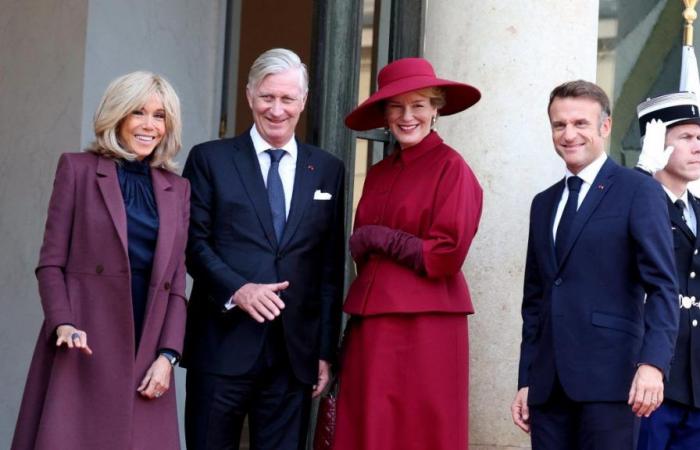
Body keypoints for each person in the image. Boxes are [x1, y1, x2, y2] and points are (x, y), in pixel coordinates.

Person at [11, 71, 190, 450]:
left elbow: (177, 281)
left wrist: (168, 355)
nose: (149, 125)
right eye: (138, 112)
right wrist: (63, 323)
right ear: (117, 116)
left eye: (160, 116)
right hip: (83, 341)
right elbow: (51, 263)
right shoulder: (77, 170)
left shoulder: (178, 189)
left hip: (147, 351)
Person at [181, 48, 345, 450]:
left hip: (293, 357)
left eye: (287, 99)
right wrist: (238, 289)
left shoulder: (328, 169)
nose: (276, 109)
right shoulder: (209, 160)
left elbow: (329, 268)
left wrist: (324, 352)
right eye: (267, 97)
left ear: (303, 102)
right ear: (249, 95)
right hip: (221, 347)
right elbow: (191, 242)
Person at [510, 80, 679, 449]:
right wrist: (527, 379)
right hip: (548, 389)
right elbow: (535, 301)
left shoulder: (638, 191)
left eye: (580, 123)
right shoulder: (543, 203)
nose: (569, 134)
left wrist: (652, 364)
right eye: (559, 125)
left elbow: (664, 286)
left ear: (605, 126)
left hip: (612, 382)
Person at [333, 57, 483, 450]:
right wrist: (370, 241)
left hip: (426, 326)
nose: (407, 116)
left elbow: (446, 255)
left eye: (418, 105)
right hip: (371, 324)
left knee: (417, 432)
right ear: (385, 115)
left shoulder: (452, 168)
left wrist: (381, 238)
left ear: (436, 109)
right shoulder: (380, 172)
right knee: (368, 429)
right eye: (396, 107)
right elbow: (359, 247)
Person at [634, 92, 700, 450]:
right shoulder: (632, 200)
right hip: (651, 380)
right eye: (685, 137)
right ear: (657, 143)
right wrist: (643, 177)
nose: (697, 147)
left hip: (696, 384)